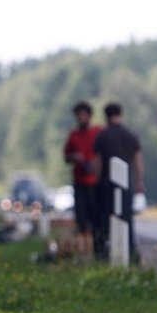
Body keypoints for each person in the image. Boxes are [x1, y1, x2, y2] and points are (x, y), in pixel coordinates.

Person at [92, 102, 144, 264]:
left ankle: (105, 252)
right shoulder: (131, 135)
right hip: (126, 185)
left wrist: (96, 180)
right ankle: (129, 252)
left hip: (106, 186)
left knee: (106, 220)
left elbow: (97, 163)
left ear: (106, 116)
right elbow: (137, 161)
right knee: (127, 219)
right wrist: (139, 182)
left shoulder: (102, 136)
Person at [63, 101, 102, 252]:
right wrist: (74, 157)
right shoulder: (73, 135)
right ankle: (84, 247)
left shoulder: (97, 132)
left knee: (96, 215)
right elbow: (66, 157)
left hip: (94, 181)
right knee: (81, 215)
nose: (81, 118)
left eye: (83, 115)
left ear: (89, 116)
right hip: (80, 181)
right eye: (78, 115)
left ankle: (97, 245)